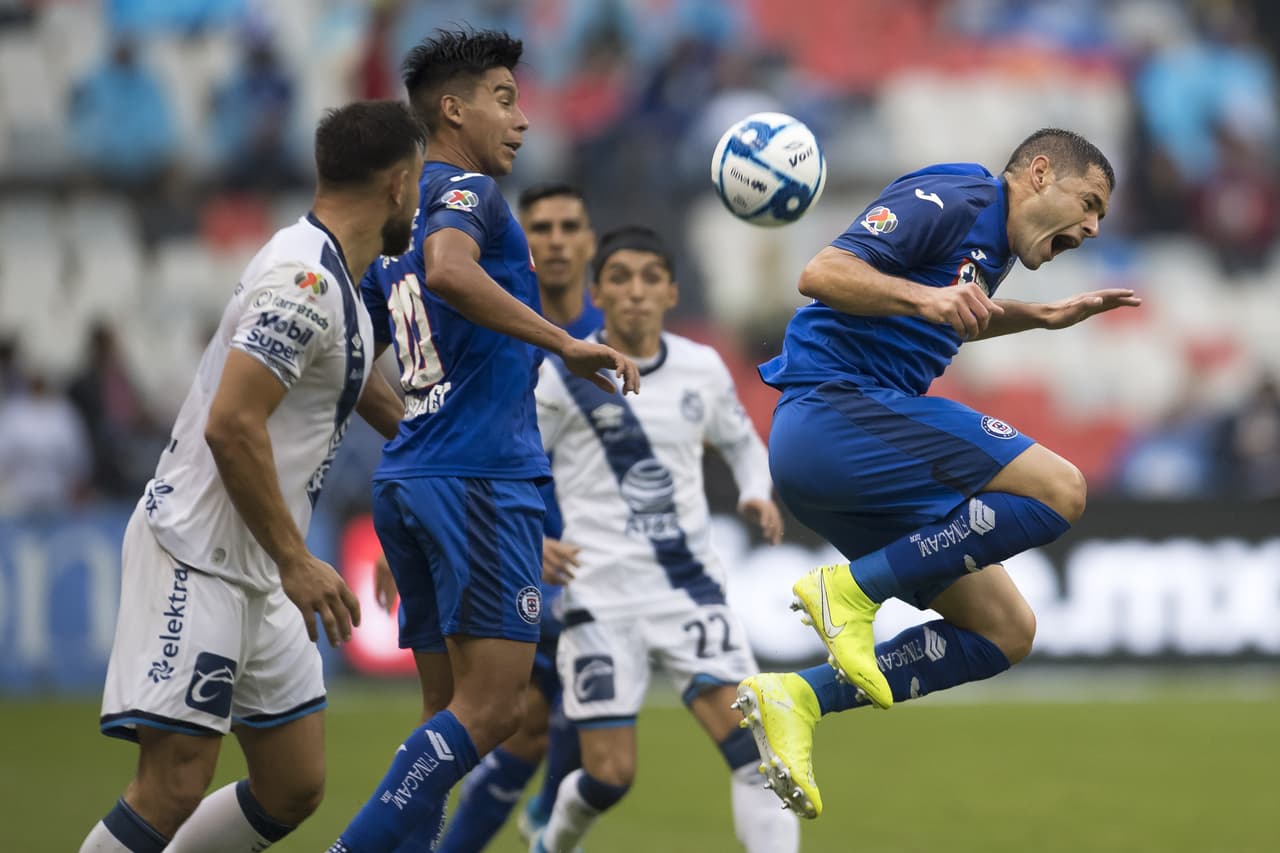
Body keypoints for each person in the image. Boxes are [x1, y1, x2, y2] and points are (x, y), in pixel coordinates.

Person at [734, 128, 1141, 820]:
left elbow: (951, 306)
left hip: (845, 455)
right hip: (833, 409)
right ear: (1040, 173)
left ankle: (798, 695)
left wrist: (1038, 318)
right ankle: (851, 591)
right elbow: (823, 274)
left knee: (1006, 630)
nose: (1095, 226)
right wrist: (928, 302)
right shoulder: (962, 192)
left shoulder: (996, 247)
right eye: (1089, 202)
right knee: (1060, 486)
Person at [78, 99, 425, 853]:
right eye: (420, 181)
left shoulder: (337, 280)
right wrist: (297, 559)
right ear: (398, 184)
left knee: (293, 781)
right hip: (200, 552)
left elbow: (356, 380)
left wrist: (443, 448)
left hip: (261, 566)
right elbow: (231, 424)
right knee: (174, 779)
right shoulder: (301, 279)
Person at [330, 30, 638, 853]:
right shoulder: (465, 194)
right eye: (504, 98)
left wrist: (417, 438)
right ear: (453, 109)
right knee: (495, 711)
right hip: (478, 478)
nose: (523, 119)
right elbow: (450, 271)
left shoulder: (395, 227)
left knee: (442, 723)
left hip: (419, 477)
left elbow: (346, 355)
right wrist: (564, 341)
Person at [530, 227, 798, 853]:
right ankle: (550, 843)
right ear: (597, 291)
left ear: (672, 290)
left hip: (689, 591)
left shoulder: (701, 368)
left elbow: (740, 441)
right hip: (600, 597)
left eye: (651, 277)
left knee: (761, 758)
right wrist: (535, 538)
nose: (636, 292)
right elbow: (517, 468)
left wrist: (756, 488)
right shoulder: (564, 374)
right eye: (619, 277)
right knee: (610, 775)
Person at [430, 182, 601, 852]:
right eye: (541, 229)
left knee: (539, 726)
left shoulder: (620, 338)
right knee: (518, 719)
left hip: (595, 563)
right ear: (521, 247)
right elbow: (435, 434)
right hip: (513, 544)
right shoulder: (493, 334)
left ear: (589, 241)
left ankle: (534, 830)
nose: (556, 241)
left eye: (569, 226)